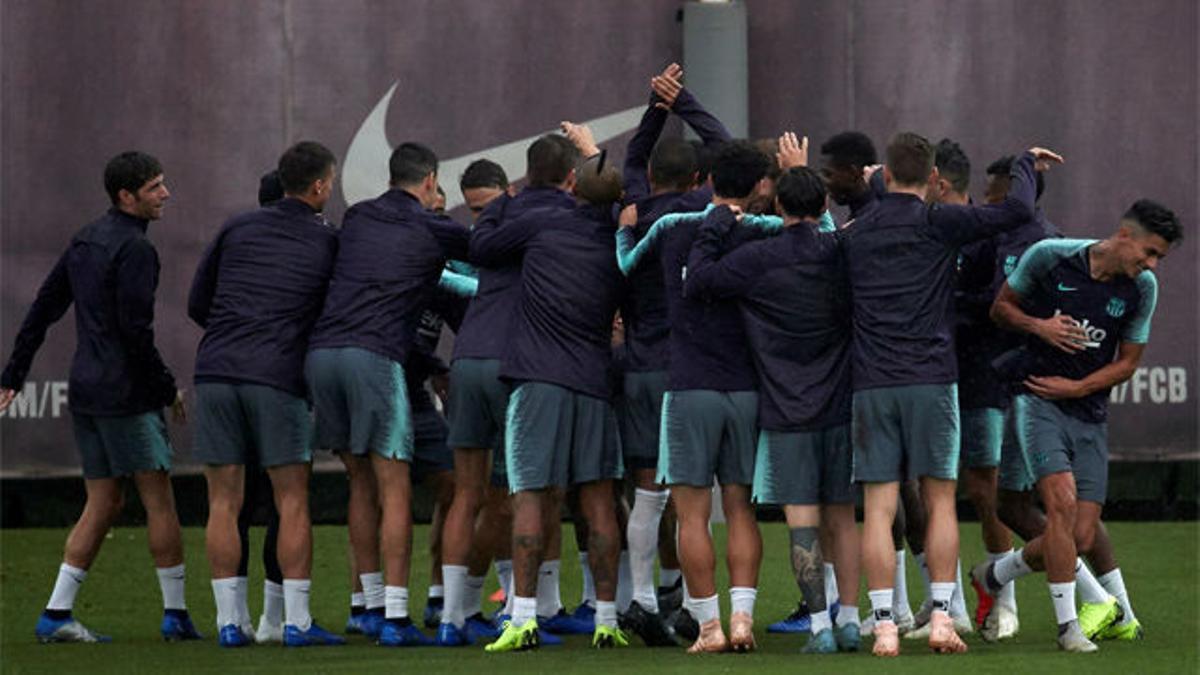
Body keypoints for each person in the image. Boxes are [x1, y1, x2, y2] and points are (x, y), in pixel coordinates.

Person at [840, 132, 1058, 657]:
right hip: (933, 381)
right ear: (935, 179)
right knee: (939, 501)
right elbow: (1018, 208)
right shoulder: (941, 221)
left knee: (878, 509)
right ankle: (942, 618)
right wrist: (1026, 161)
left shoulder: (853, 231)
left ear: (886, 175)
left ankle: (886, 625)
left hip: (872, 384)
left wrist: (873, 184)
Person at [0, 151, 199, 643]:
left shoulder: (86, 238)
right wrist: (165, 387)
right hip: (124, 395)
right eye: (155, 187)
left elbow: (42, 309)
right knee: (158, 501)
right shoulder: (136, 251)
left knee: (104, 501)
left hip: (86, 390)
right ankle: (176, 616)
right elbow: (135, 333)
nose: (166, 193)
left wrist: (14, 374)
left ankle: (55, 613)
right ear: (126, 196)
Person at [973, 199, 1181, 652]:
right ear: (1125, 235)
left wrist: (1080, 387)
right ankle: (1070, 628)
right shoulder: (1050, 256)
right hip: (1036, 397)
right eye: (1149, 252)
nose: (1151, 264)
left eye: (1158, 258)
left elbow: (1127, 363)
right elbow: (1000, 309)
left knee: (1079, 534)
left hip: (1087, 410)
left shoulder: (1142, 288)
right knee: (1059, 506)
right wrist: (1039, 327)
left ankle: (993, 574)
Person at [685, 151, 864, 655]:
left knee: (802, 522)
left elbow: (697, 281)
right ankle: (849, 620)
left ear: (776, 205)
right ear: (825, 202)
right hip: (840, 402)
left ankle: (819, 629)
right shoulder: (839, 252)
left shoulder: (759, 257)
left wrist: (716, 223)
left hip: (787, 408)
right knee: (842, 518)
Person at [306, 141, 469, 647]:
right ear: (429, 183)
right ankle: (397, 616)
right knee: (394, 485)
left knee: (360, 482)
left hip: (322, 354)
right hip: (372, 357)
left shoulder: (356, 217)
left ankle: (367, 607)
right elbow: (490, 253)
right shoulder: (431, 224)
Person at [474, 126, 628, 652]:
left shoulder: (537, 221)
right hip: (594, 380)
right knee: (600, 501)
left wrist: (501, 202)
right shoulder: (614, 235)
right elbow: (619, 192)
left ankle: (522, 618)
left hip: (539, 381)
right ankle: (607, 617)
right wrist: (594, 159)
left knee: (530, 498)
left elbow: (481, 246)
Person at [619, 141, 775, 654]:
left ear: (708, 180)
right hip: (745, 388)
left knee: (690, 513)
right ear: (759, 187)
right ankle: (743, 620)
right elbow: (817, 232)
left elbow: (625, 265)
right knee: (739, 509)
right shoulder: (764, 232)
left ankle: (708, 626)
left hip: (688, 387)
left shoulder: (672, 228)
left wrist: (623, 227)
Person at [187, 141, 342, 647]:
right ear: (319, 185)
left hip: (215, 371)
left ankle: (230, 624)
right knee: (292, 498)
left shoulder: (238, 226)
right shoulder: (328, 241)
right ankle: (295, 623)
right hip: (277, 375)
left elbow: (197, 302)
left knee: (223, 501)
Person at [438, 147, 585, 646]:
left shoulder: (497, 230)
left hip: (467, 358)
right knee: (532, 493)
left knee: (468, 494)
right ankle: (535, 608)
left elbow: (478, 247)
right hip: (512, 366)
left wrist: (502, 206)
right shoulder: (562, 225)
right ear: (569, 179)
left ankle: (452, 617)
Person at [614, 62, 730, 646]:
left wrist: (655, 109)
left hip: (636, 366)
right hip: (684, 371)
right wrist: (682, 100)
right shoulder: (701, 213)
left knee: (647, 491)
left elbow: (633, 161)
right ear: (696, 181)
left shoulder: (634, 211)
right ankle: (689, 601)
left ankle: (637, 599)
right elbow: (728, 149)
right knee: (691, 494)